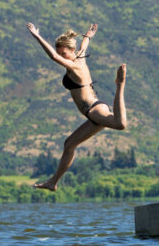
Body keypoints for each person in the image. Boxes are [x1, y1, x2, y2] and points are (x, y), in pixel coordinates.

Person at [27, 22, 128, 191]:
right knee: (69, 144)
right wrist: (88, 36)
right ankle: (53, 182)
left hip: (94, 109)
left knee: (120, 124)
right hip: (90, 113)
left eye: (64, 53)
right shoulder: (79, 56)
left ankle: (120, 84)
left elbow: (52, 57)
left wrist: (37, 36)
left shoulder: (74, 66)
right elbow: (84, 45)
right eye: (60, 53)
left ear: (71, 51)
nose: (61, 56)